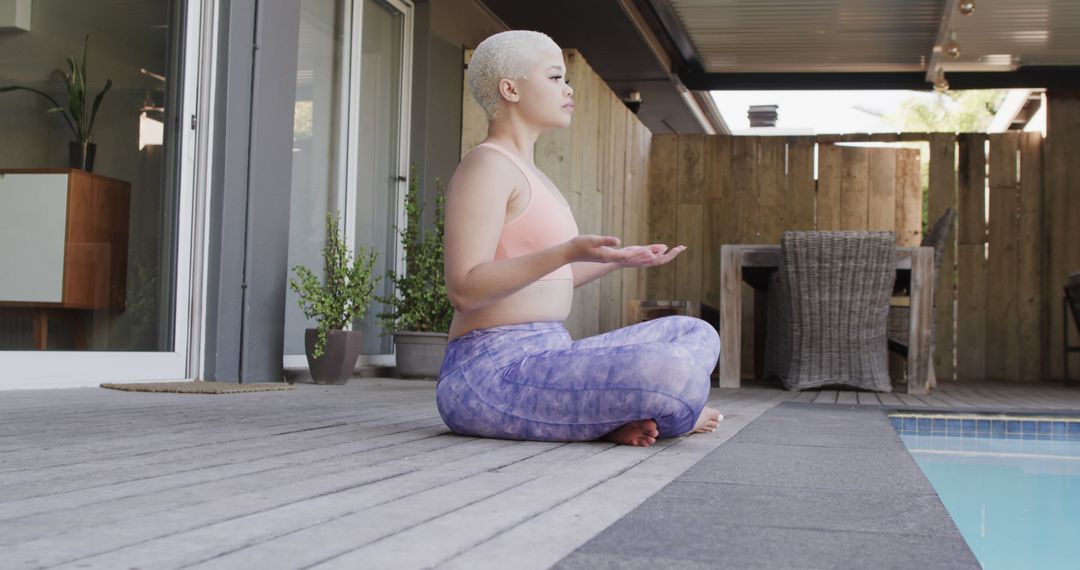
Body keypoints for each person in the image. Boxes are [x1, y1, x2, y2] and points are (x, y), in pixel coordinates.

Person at [435, 30, 722, 448]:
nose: (568, 89)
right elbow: (464, 288)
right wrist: (567, 251)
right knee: (673, 373)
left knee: (696, 335)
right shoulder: (487, 166)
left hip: (549, 355)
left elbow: (551, 277)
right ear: (510, 88)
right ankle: (665, 413)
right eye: (554, 77)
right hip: (488, 372)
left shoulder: (532, 173)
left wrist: (617, 260)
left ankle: (609, 418)